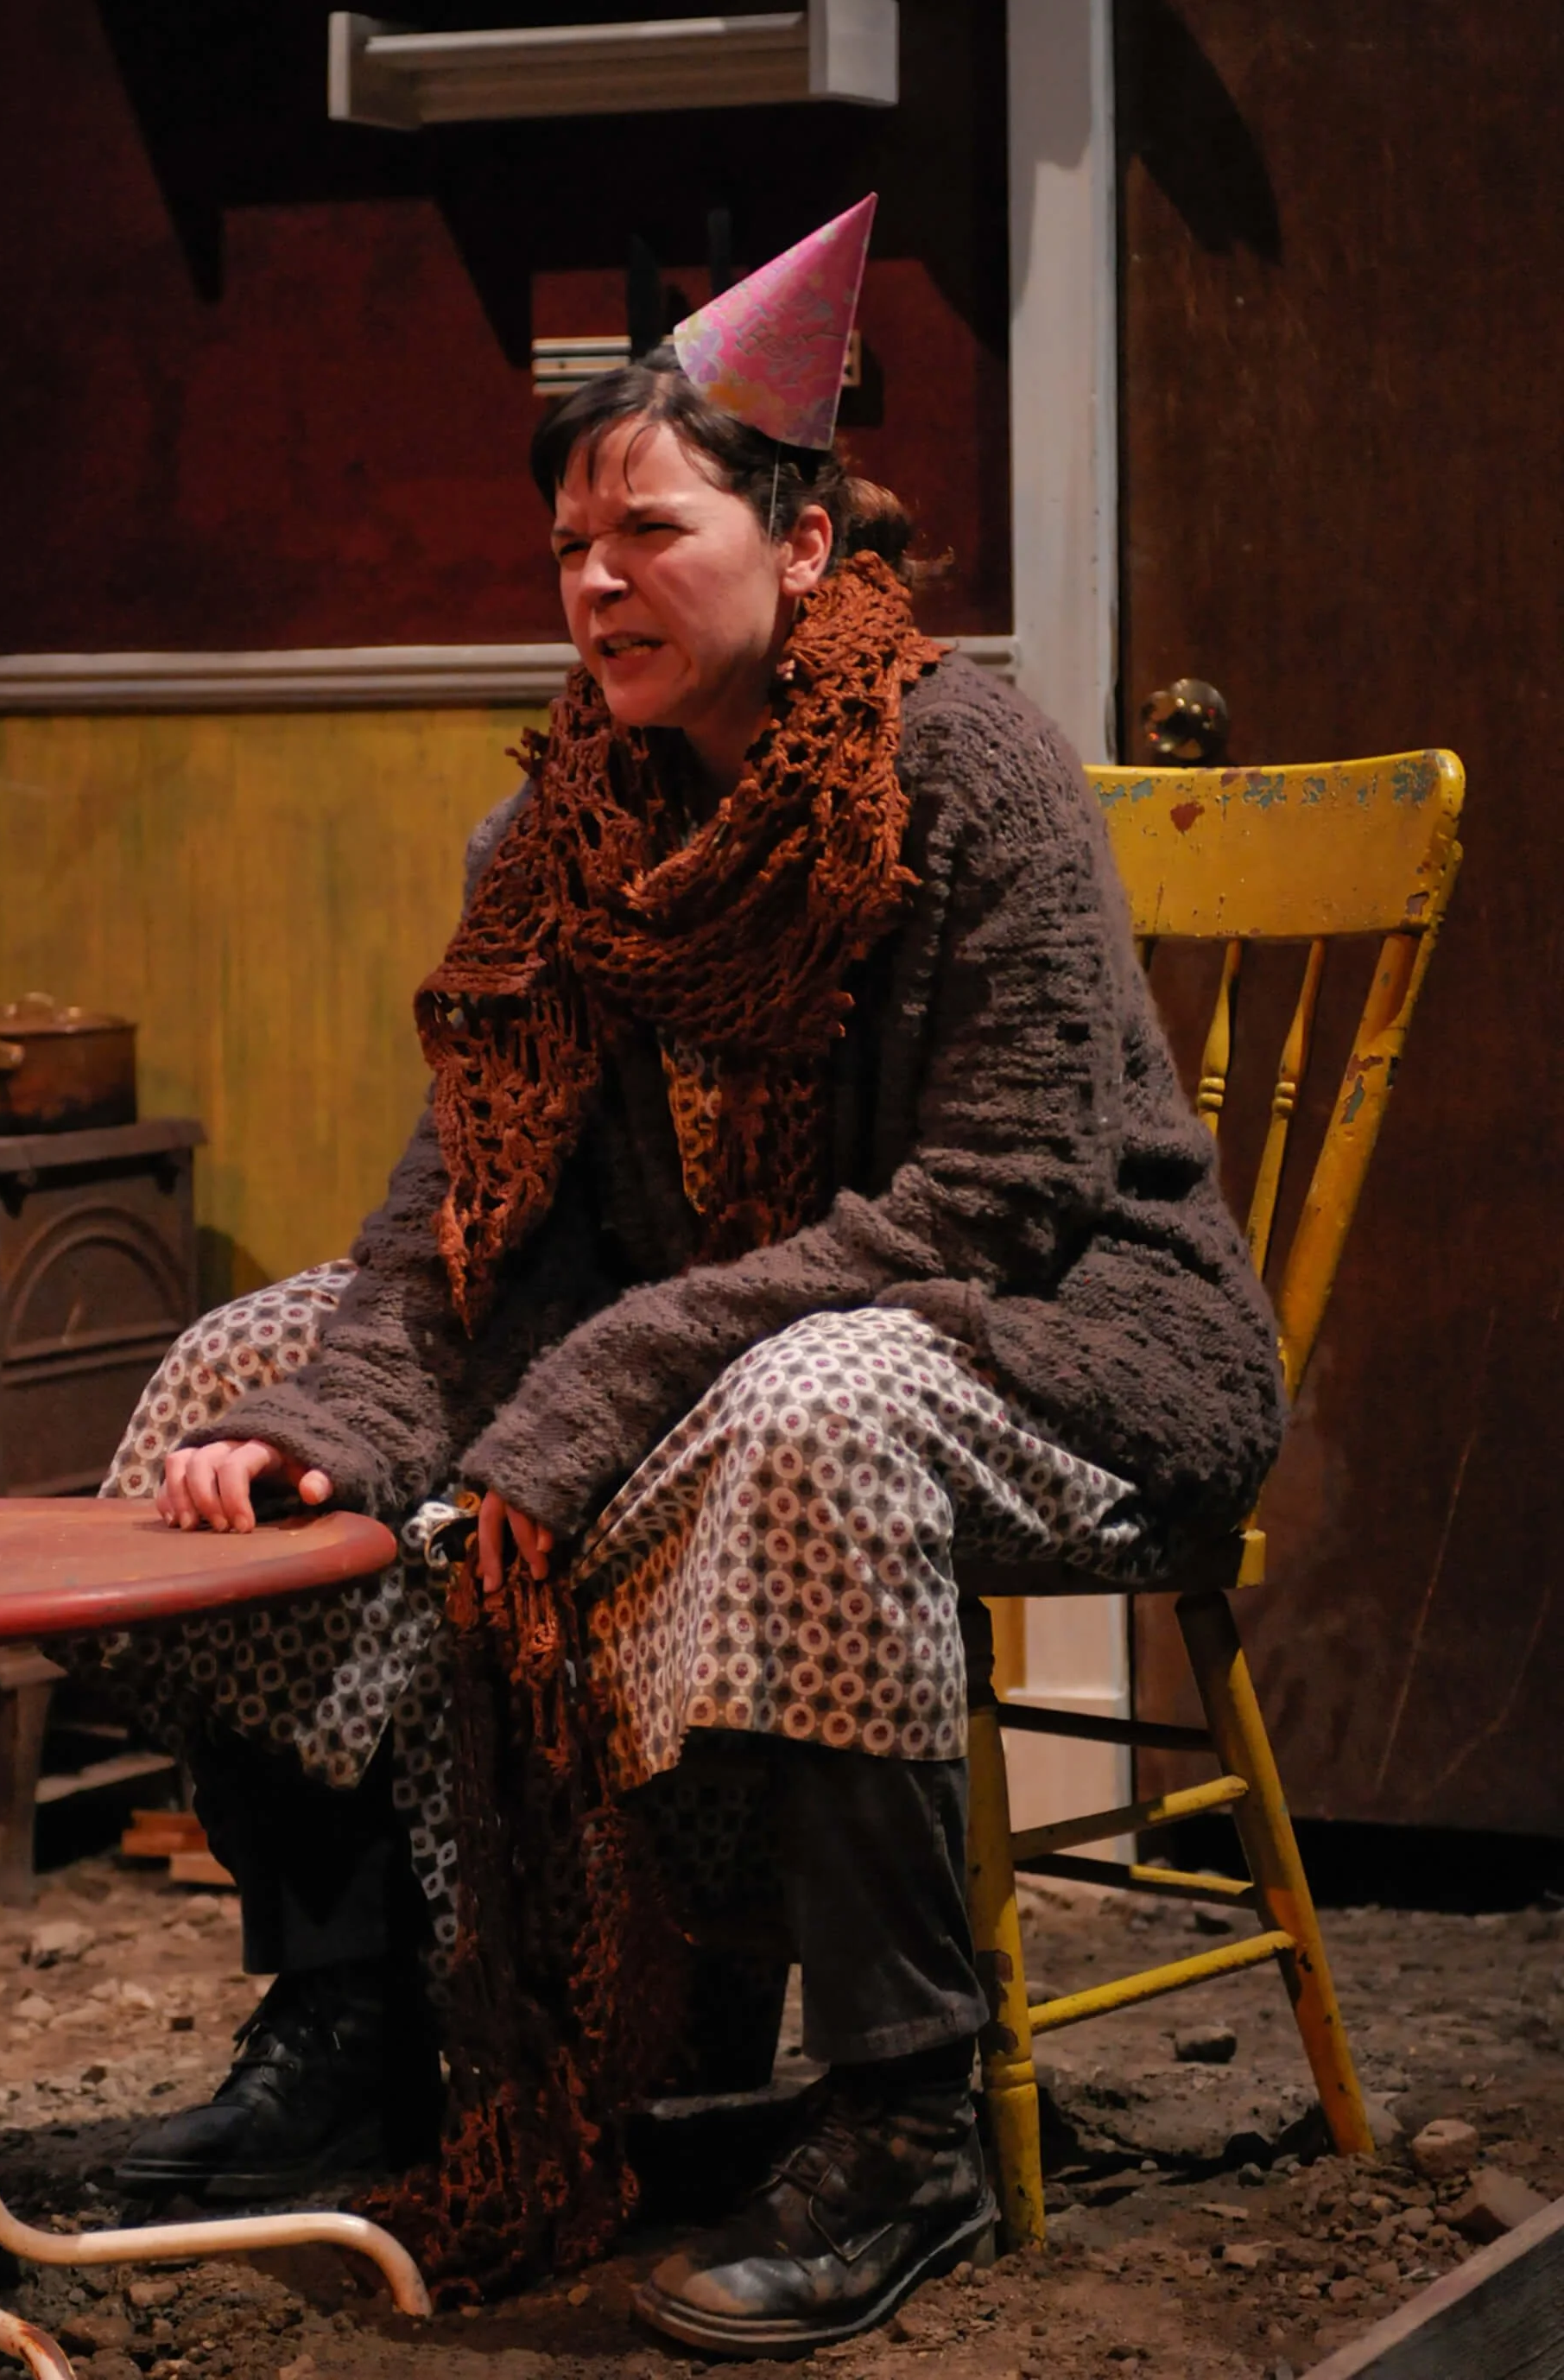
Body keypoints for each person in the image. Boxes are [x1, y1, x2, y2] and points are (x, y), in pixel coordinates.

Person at [89, 199, 1286, 2353]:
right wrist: (330, 1415)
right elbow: (457, 1201)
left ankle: (902, 2114)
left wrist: (625, 1359)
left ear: (801, 543)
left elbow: (998, 1196)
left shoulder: (964, 766)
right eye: (570, 546)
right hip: (730, 1338)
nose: (595, 581)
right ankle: (357, 2011)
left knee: (798, 1401)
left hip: (1061, 1339)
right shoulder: (562, 823)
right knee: (228, 1368)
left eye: (648, 529)